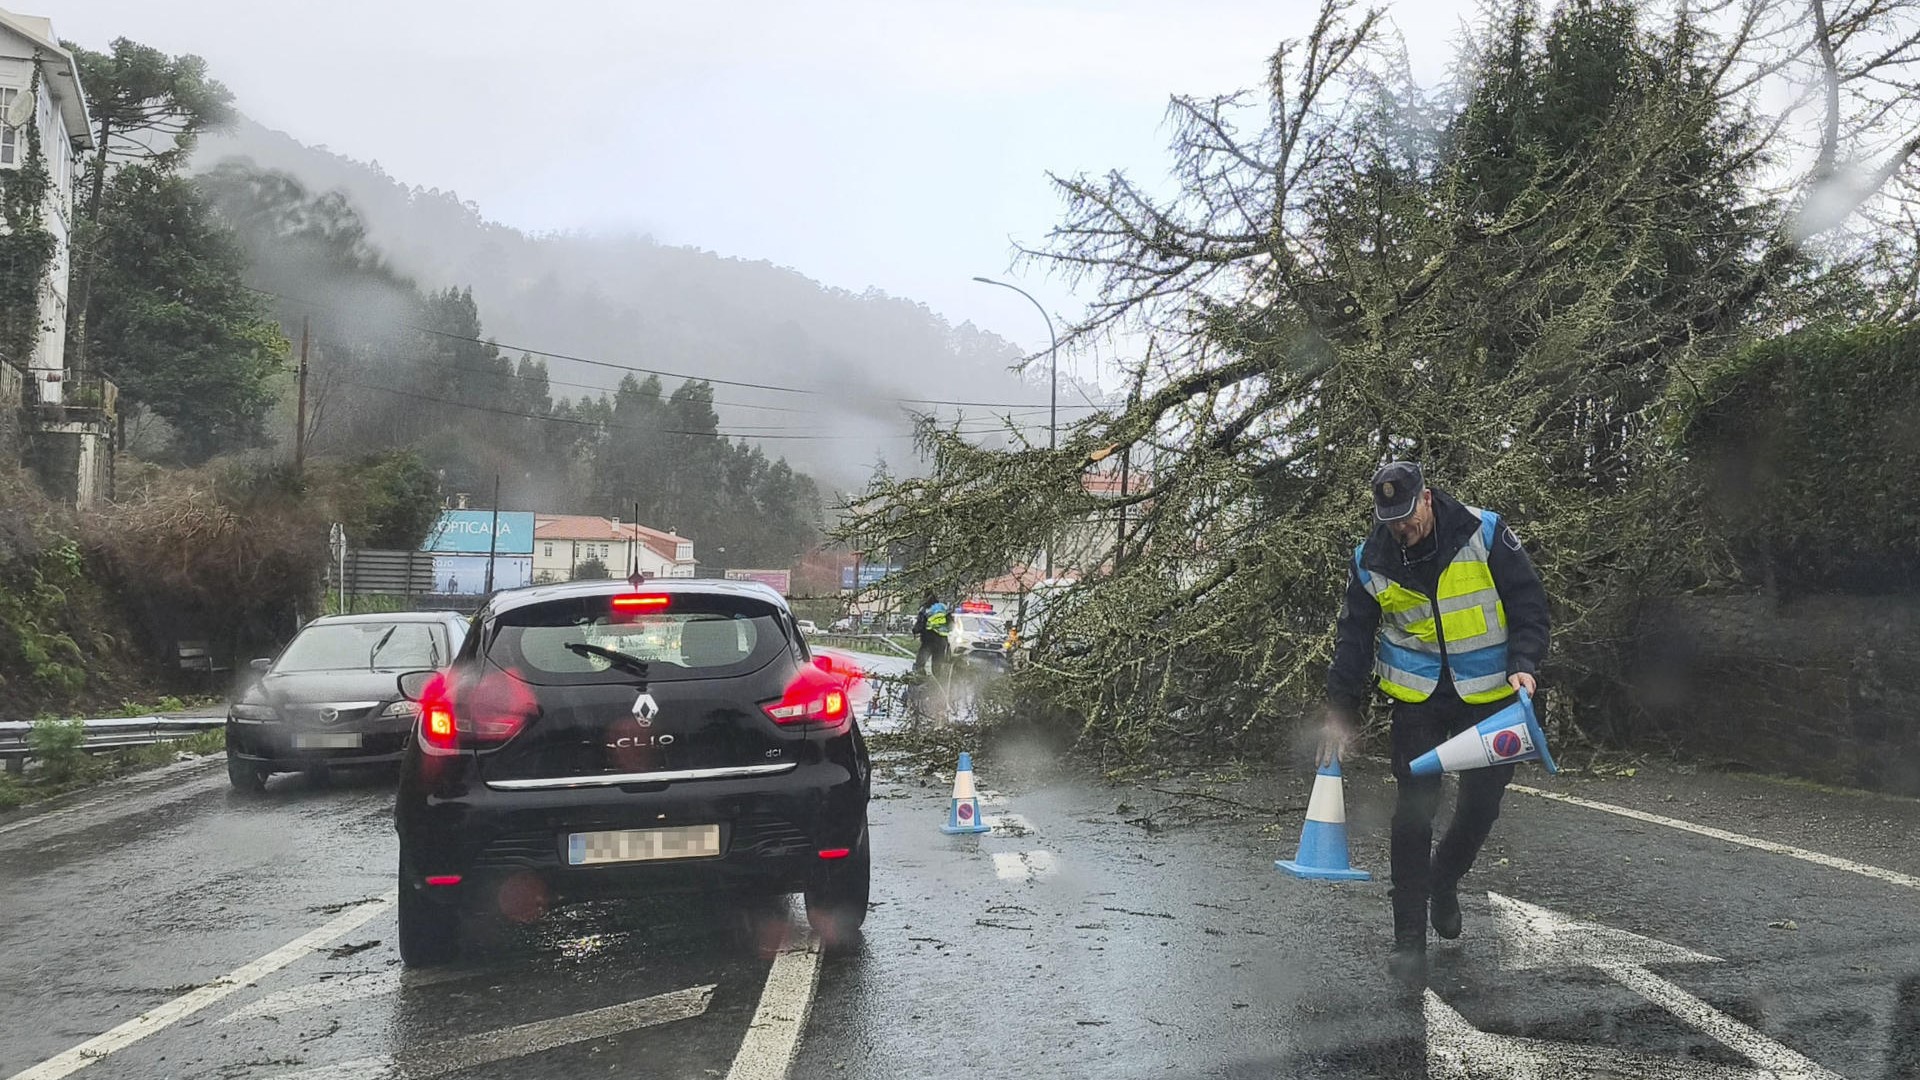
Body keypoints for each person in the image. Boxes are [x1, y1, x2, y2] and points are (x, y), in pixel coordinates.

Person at [1320, 461, 1550, 987]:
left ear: (1427, 498)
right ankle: (1407, 941)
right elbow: (1353, 639)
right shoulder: (1370, 559)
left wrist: (1526, 662)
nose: (1401, 527)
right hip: (1418, 697)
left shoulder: (1484, 532)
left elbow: (1529, 603)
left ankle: (1443, 882)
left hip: (1490, 693)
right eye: (1390, 519)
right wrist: (1339, 712)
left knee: (1481, 804)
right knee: (1413, 810)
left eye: (1407, 515)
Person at [912, 592, 952, 676]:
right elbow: (951, 623)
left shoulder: (925, 609)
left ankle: (921, 681)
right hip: (942, 641)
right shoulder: (944, 607)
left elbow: (919, 625)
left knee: (920, 663)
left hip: (929, 640)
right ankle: (938, 683)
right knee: (937, 665)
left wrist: (914, 630)